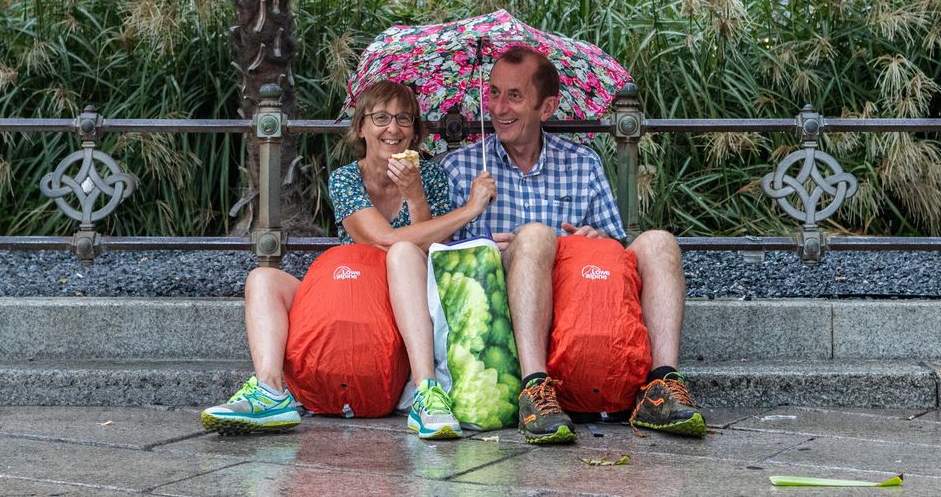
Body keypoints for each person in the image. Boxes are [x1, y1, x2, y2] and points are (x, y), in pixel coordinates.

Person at [201, 79, 497, 439]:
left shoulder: (429, 176)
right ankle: (269, 391)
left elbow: (433, 248)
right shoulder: (345, 179)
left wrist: (415, 196)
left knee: (406, 253)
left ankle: (426, 392)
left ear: (415, 132)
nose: (393, 129)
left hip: (408, 301)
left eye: (404, 119)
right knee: (262, 278)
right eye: (381, 118)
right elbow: (381, 240)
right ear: (361, 127)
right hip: (353, 293)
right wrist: (471, 209)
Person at [440, 45, 705, 446]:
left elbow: (615, 254)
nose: (498, 107)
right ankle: (534, 389)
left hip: (582, 303)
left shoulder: (582, 163)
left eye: (514, 95)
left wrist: (600, 241)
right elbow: (444, 267)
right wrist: (479, 233)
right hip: (504, 310)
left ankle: (661, 385)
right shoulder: (461, 167)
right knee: (535, 235)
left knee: (660, 243)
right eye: (493, 93)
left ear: (546, 108)